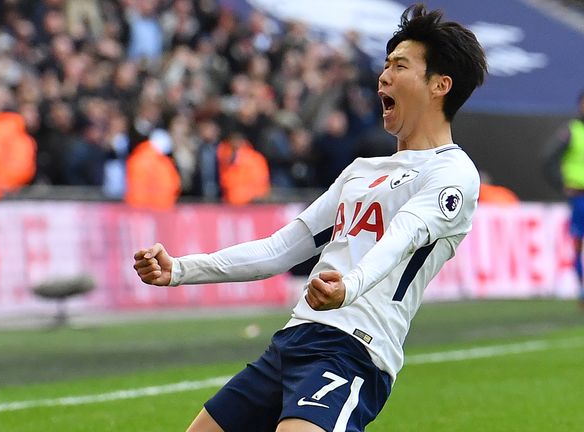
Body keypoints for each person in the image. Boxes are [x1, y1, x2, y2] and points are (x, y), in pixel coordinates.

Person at [133, 4, 487, 432]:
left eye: (400, 65)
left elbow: (402, 236)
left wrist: (349, 288)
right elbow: (280, 249)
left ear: (439, 85)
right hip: (293, 339)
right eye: (385, 65)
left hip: (354, 349)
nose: (384, 76)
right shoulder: (361, 172)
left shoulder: (452, 172)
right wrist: (179, 270)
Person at [541, 90, 584, 308]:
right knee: (579, 243)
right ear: (582, 106)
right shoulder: (572, 131)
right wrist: (561, 184)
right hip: (581, 195)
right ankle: (583, 289)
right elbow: (548, 159)